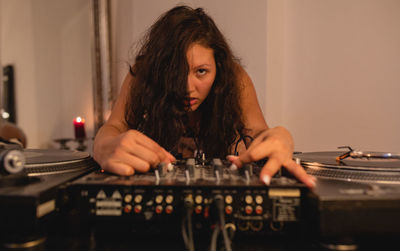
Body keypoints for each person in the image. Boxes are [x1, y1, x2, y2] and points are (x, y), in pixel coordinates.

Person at [93, 5, 315, 188]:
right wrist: (103, 147)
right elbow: (114, 126)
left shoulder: (235, 78)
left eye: (201, 71)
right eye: (176, 72)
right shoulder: (143, 73)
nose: (188, 88)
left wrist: (282, 137)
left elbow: (258, 133)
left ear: (218, 67)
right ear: (160, 69)